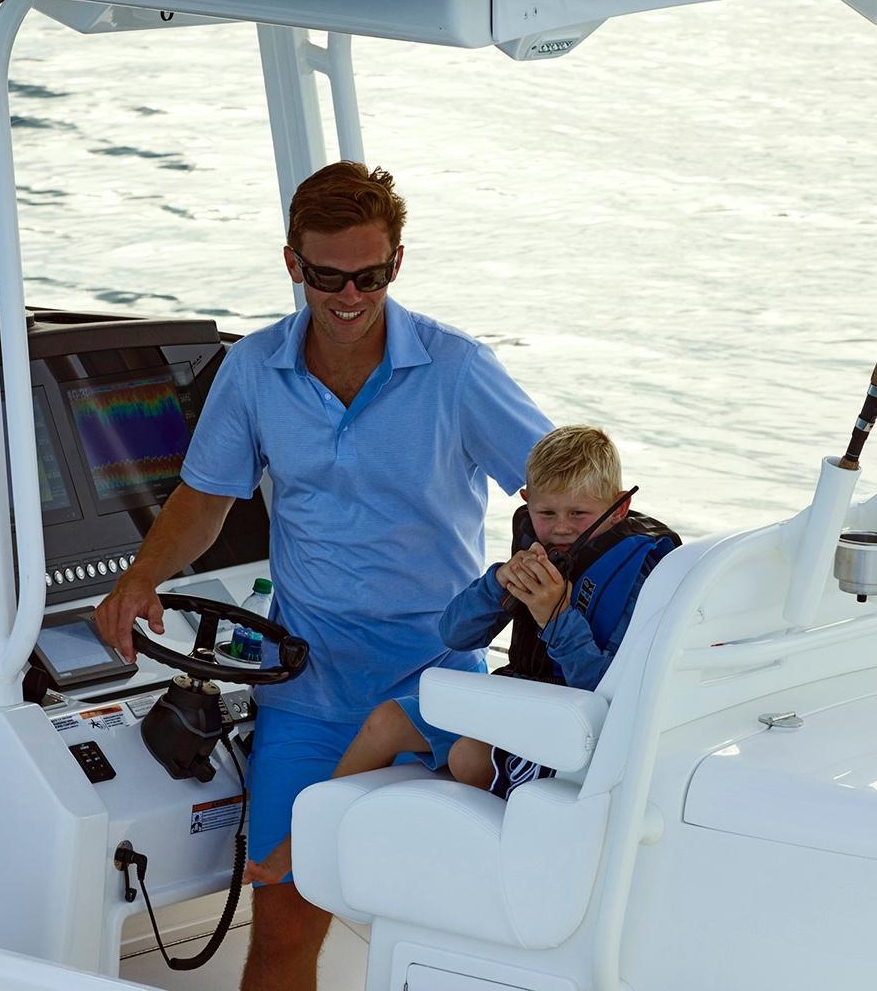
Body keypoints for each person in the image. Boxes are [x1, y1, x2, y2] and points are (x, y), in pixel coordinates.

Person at [92, 161, 551, 991]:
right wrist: (139, 579)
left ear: (397, 264)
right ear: (292, 264)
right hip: (306, 693)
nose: (348, 296)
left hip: (434, 690)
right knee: (281, 930)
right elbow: (205, 498)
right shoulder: (253, 368)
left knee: (434, 934)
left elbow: (560, 496)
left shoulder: (458, 369)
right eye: (327, 277)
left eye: (369, 277)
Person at [244, 425, 679, 884]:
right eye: (547, 513)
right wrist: (497, 584)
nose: (561, 528)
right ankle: (302, 845)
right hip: (521, 697)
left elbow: (608, 690)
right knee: (386, 721)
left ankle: (490, 869)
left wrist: (555, 617)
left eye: (579, 513)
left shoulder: (644, 570)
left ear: (618, 508)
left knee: (468, 756)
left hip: (578, 725)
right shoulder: (538, 548)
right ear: (527, 501)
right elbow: (455, 634)